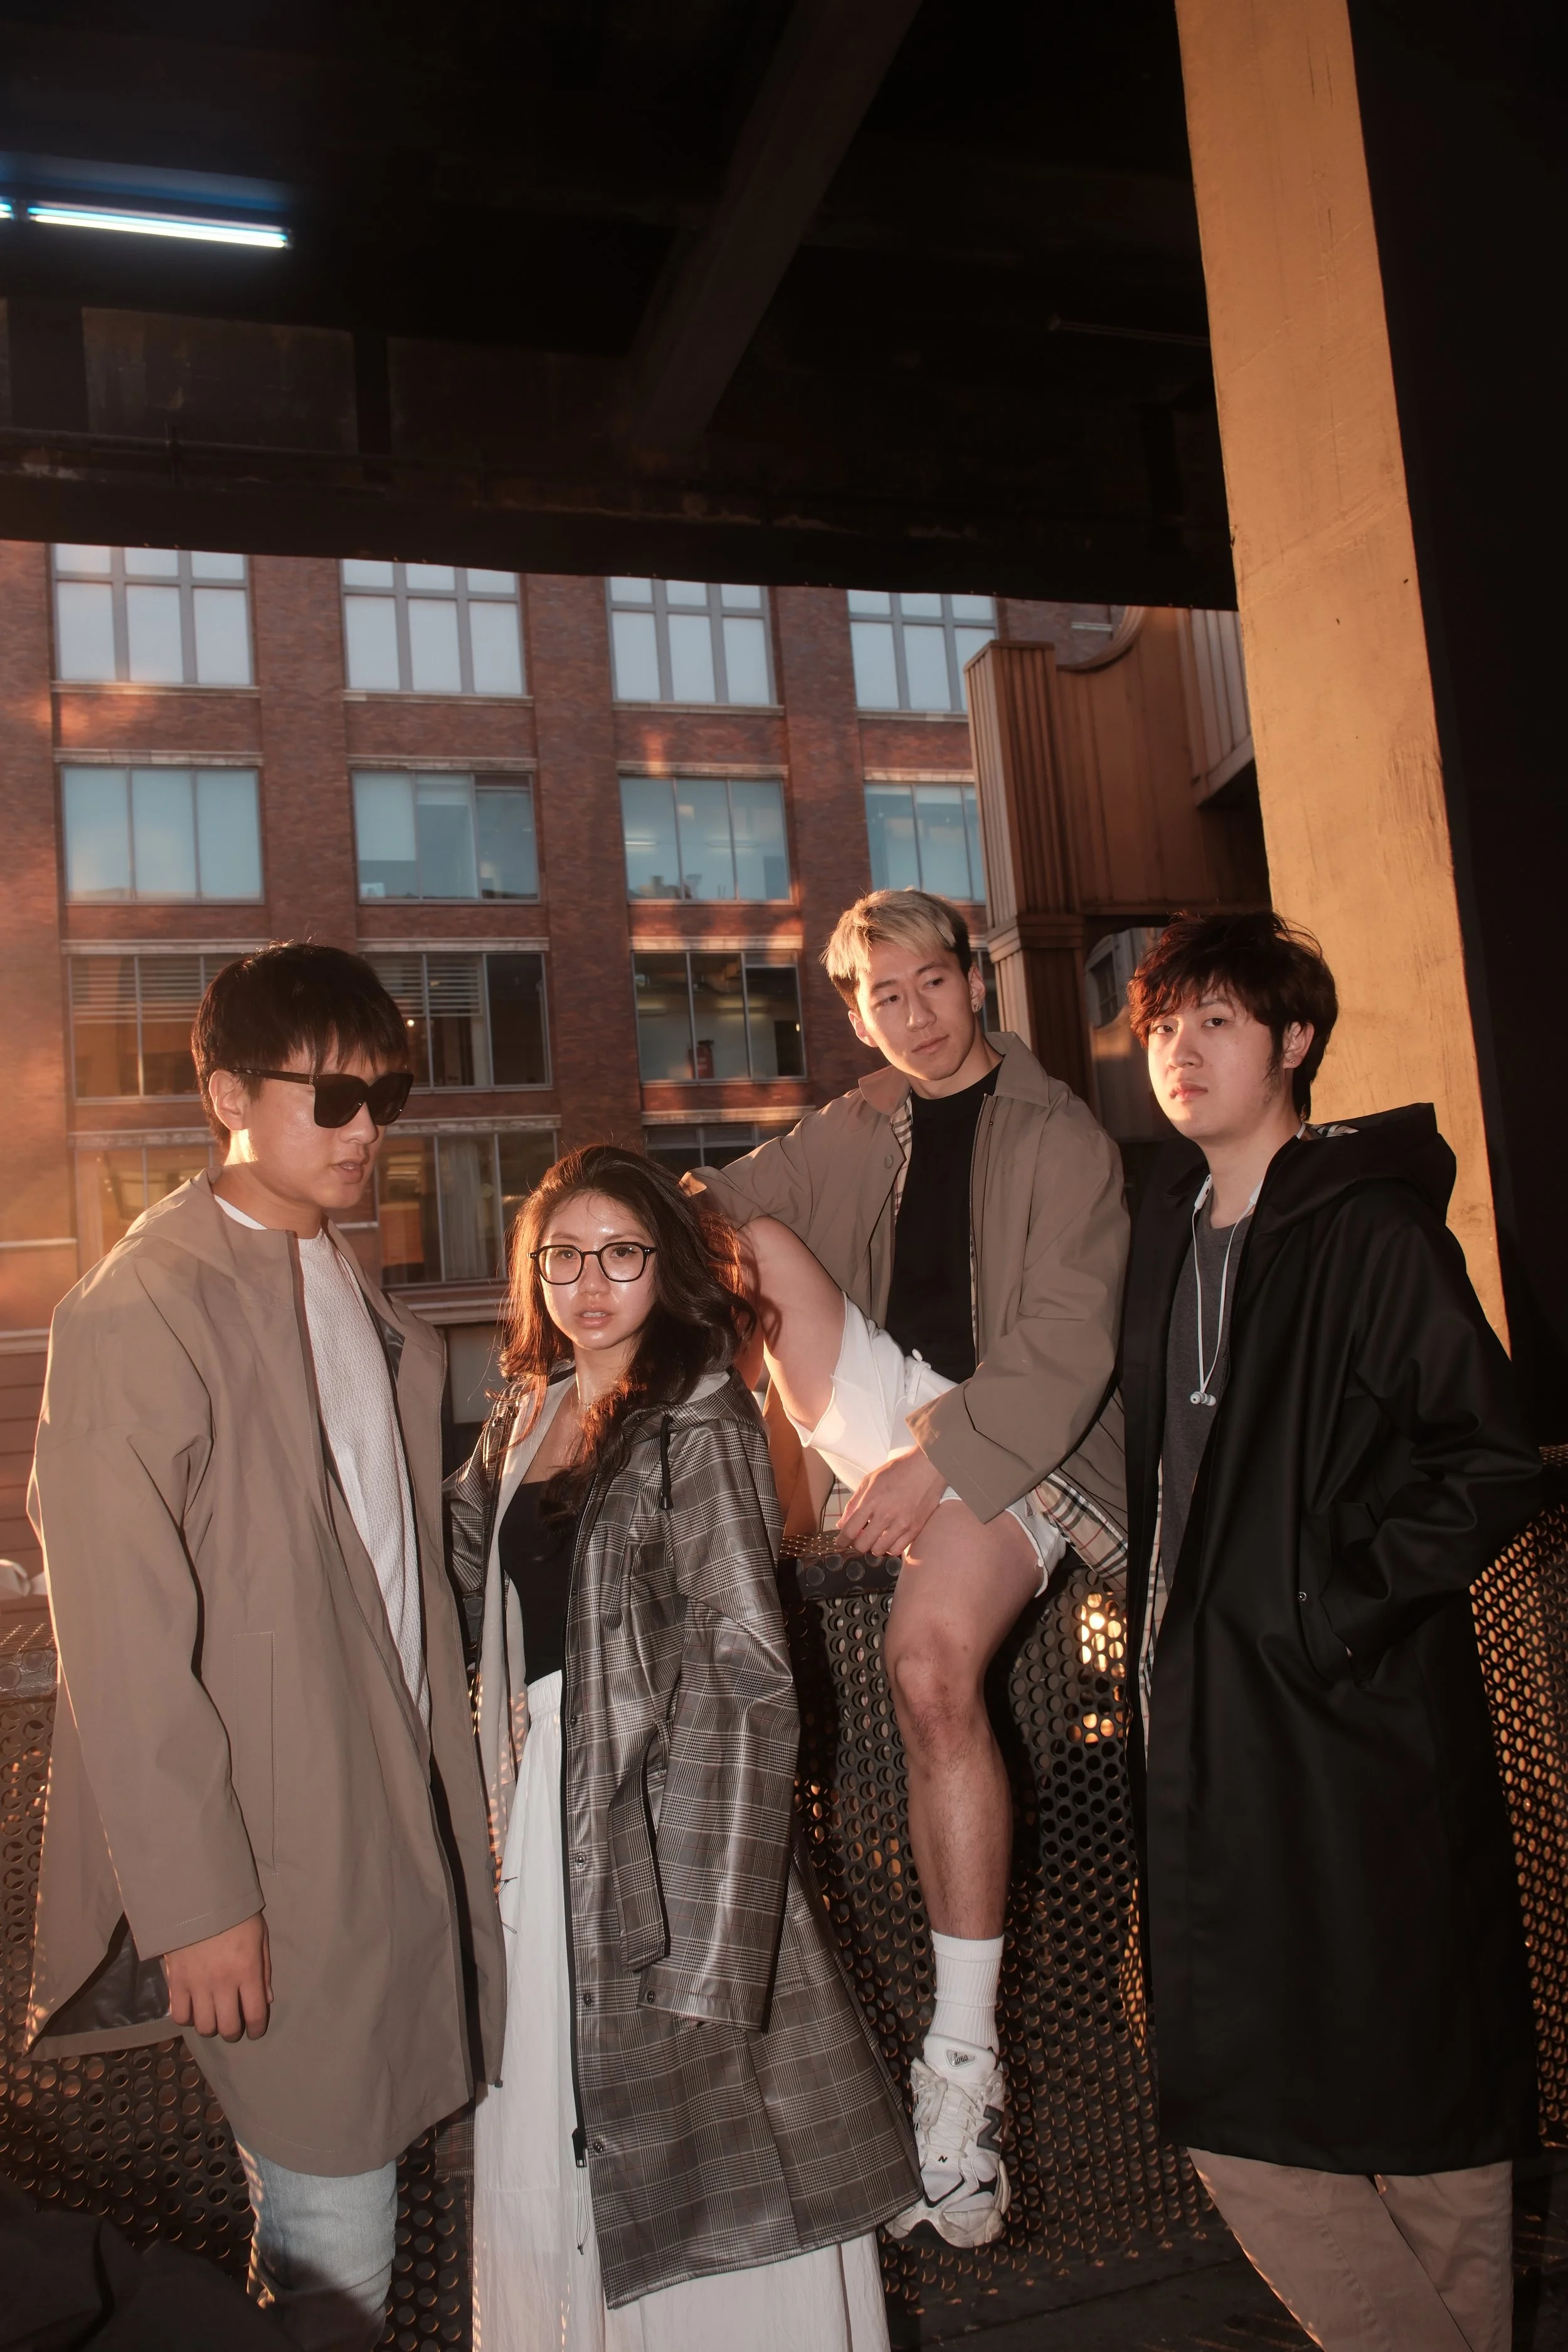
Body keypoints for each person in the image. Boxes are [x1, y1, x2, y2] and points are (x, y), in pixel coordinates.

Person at [27, 942, 504, 2352]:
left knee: (347, 2241)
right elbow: (116, 1644)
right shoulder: (139, 1306)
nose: (366, 1130)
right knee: (332, 2252)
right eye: (331, 1097)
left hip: (390, 1830)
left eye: (386, 1097)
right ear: (228, 1095)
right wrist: (194, 1906)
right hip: (269, 1860)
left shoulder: (346, 1285)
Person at [1121, 909, 1542, 2352]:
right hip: (1207, 1717)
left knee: (1420, 2099)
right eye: (1161, 1026)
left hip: (1359, 1720)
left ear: (1292, 1040)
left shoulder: (1365, 1228)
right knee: (1227, 2092)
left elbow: (1487, 1458)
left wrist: (1328, 1608)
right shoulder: (1164, 1236)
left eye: (1215, 1022)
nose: (1179, 1050)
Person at [684, 887, 1129, 2247]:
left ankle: (963, 2071)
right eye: (883, 996)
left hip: (1022, 1436)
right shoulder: (857, 1121)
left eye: (930, 982)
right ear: (858, 1013)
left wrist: (937, 1465)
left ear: (972, 982)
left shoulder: (1062, 1134)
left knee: (929, 1669)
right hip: (887, 1412)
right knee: (739, 1234)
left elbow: (1066, 1348)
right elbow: (711, 1207)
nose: (913, 1014)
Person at [451, 1143, 916, 2350]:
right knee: (552, 2112)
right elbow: (455, 1588)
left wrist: (714, 1940)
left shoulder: (700, 1418)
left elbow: (747, 1676)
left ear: (665, 1265)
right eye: (563, 1256)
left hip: (661, 1818)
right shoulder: (523, 1415)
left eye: (622, 1253)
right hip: (536, 1804)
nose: (590, 1282)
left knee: (691, 2139)